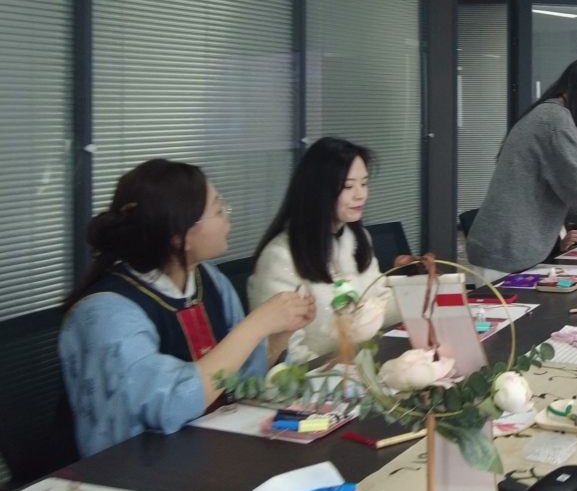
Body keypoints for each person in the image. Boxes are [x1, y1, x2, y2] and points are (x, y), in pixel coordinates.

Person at [60, 160, 315, 457]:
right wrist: (256, 325)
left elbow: (242, 383)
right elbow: (167, 405)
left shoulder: (209, 278)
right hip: (130, 468)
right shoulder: (106, 312)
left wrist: (279, 335)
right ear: (180, 236)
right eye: (218, 210)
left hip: (208, 450)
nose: (228, 216)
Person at [248, 138, 400, 362]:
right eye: (348, 186)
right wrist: (340, 372)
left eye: (364, 183)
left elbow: (379, 303)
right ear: (319, 190)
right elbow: (283, 353)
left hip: (363, 367)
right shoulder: (281, 257)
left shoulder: (358, 239)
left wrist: (427, 297)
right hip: (317, 378)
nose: (360, 194)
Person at [467, 56, 577, 278]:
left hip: (510, 248)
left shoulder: (549, 115)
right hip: (506, 250)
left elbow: (568, 197)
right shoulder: (555, 120)